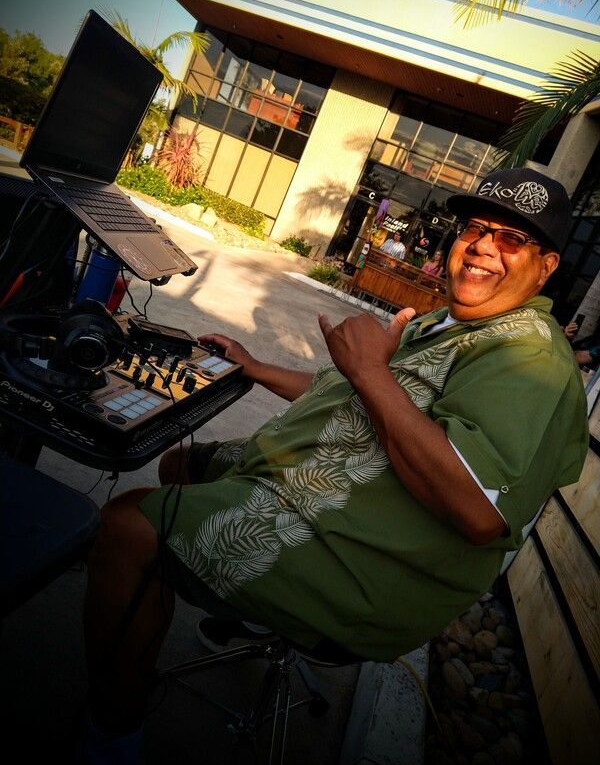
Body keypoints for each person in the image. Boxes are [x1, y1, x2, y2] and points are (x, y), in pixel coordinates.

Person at [80, 167, 588, 763]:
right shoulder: (447, 323)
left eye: (510, 239)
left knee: (125, 527)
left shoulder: (526, 357)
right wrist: (253, 366)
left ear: (547, 266)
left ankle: (114, 732)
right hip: (319, 494)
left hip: (364, 560)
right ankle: (250, 613)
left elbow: (479, 511)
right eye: (474, 229)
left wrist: (371, 371)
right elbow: (351, 396)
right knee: (182, 465)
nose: (481, 247)